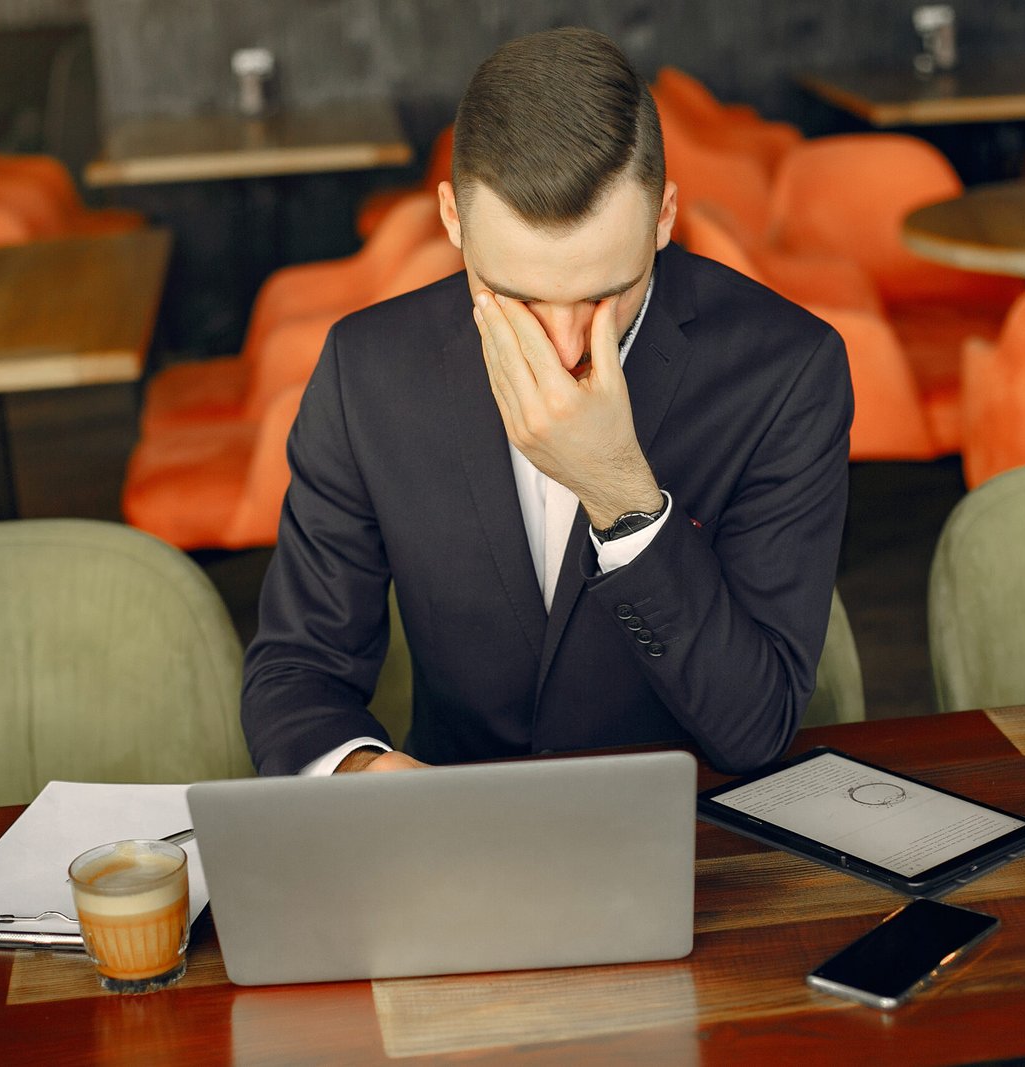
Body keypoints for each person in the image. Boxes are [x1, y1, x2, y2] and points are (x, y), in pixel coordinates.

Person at [243, 27, 852, 777]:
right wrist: (361, 773)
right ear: (452, 219)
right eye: (519, 296)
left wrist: (620, 493)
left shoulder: (788, 373)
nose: (565, 346)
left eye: (604, 293)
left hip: (688, 827)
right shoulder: (367, 370)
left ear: (664, 216)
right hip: (453, 821)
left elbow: (755, 728)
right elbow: (297, 671)